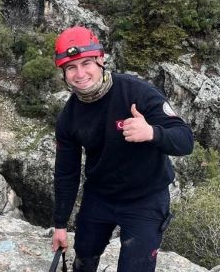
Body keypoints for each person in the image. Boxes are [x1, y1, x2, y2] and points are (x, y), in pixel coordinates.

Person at [50, 26, 194, 272]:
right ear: (64, 73)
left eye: (86, 63)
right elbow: (66, 172)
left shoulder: (136, 92)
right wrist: (60, 224)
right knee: (83, 259)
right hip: (100, 195)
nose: (80, 73)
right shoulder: (69, 117)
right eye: (71, 68)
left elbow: (185, 140)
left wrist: (151, 133)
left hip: (145, 198)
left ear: (100, 59)